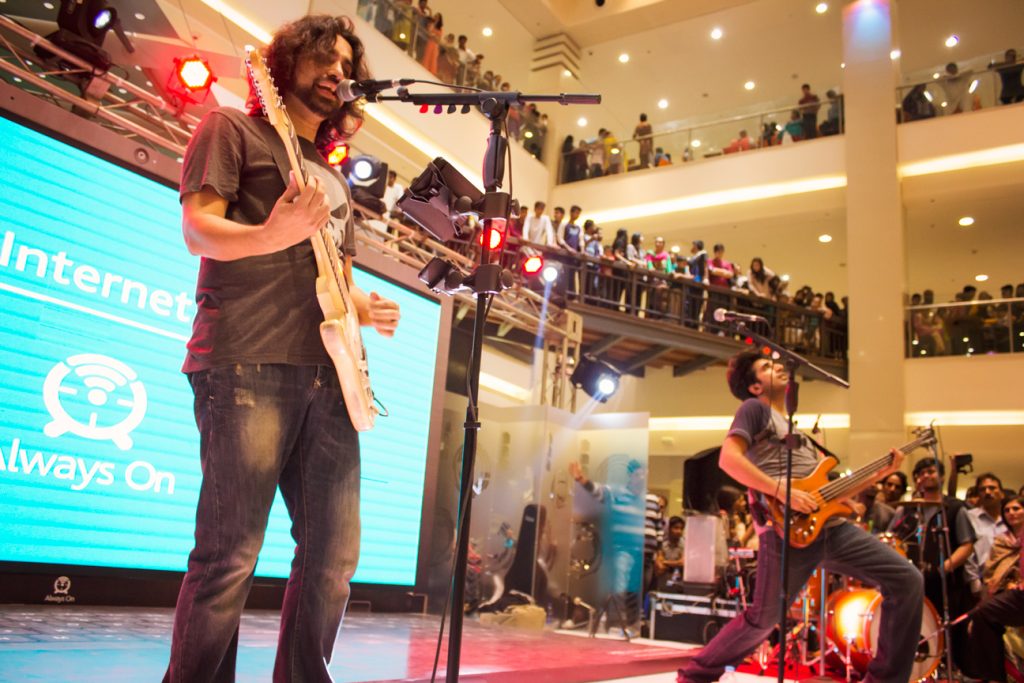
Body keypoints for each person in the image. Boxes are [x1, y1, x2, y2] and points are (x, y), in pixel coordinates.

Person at [164, 15, 402, 682]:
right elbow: (198, 230)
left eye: (346, 65)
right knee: (229, 555)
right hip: (246, 359)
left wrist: (364, 305)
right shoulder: (231, 129)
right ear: (286, 59)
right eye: (324, 56)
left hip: (329, 377)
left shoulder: (332, 176)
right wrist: (272, 232)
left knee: (333, 556)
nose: (336, 72)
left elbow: (333, 275)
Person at [679, 351, 921, 683]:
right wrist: (780, 490)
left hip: (832, 529)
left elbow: (829, 490)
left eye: (776, 364)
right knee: (763, 620)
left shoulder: (797, 432)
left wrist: (881, 473)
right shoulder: (755, 410)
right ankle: (695, 676)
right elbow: (728, 460)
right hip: (785, 530)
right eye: (766, 367)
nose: (778, 367)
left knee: (907, 580)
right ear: (754, 387)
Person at [888, 457, 977, 672]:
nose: (926, 476)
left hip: (946, 582)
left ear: (942, 475)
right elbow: (891, 540)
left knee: (948, 629)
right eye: (921, 473)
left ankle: (949, 668)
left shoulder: (955, 508)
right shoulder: (906, 510)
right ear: (916, 480)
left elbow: (967, 545)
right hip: (911, 581)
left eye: (931, 471)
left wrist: (943, 568)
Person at [963, 495, 1024, 682]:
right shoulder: (1002, 540)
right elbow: (992, 573)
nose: (1011, 513)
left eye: (1016, 508)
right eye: (1007, 510)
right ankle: (993, 677)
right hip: (1006, 590)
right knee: (981, 615)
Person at [966, 473, 1008, 601]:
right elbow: (968, 552)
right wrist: (974, 581)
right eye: (982, 489)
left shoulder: (1011, 517)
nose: (987, 492)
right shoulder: (969, 517)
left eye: (992, 488)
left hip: (1009, 582)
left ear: (1001, 493)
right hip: (982, 583)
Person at [655, 516, 685, 591]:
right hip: (663, 585)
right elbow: (660, 568)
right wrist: (675, 563)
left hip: (679, 586)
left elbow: (682, 563)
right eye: (676, 528)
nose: (679, 531)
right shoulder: (662, 544)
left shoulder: (684, 544)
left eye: (681, 529)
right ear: (669, 529)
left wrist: (665, 562)